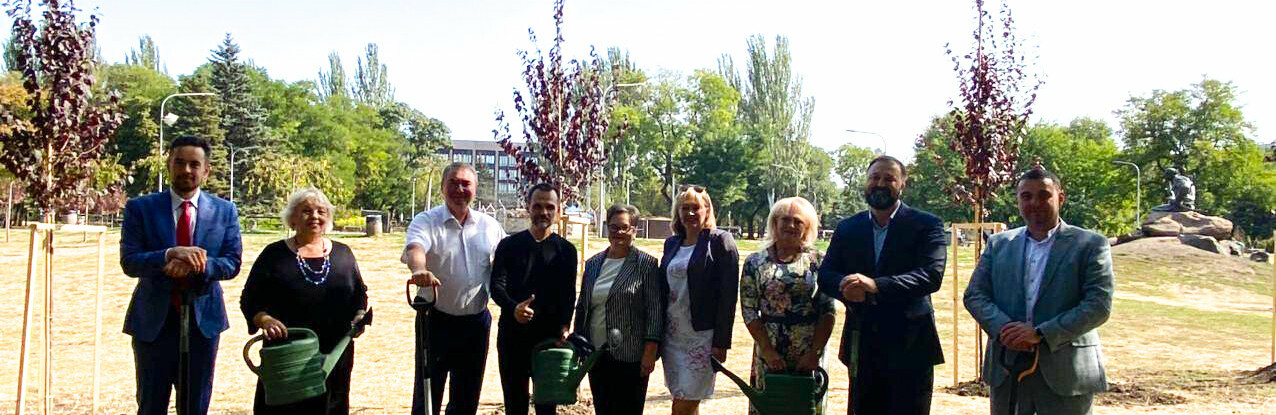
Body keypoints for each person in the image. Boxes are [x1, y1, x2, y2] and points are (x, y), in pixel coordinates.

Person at [964, 166, 1113, 415]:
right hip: (1008, 368)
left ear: (1060, 198)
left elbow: (1098, 305)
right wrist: (1006, 329)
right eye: (1027, 196)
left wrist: (1041, 333)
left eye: (1044, 195)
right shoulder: (999, 244)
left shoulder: (1090, 244)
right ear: (1018, 200)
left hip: (1066, 372)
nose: (1035, 203)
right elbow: (975, 295)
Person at [120, 135, 242, 415]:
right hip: (153, 323)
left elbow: (232, 263)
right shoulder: (140, 208)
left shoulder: (225, 211)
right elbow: (130, 261)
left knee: (195, 407)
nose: (186, 170)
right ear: (169, 164)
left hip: (203, 324)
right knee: (151, 406)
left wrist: (197, 264)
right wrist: (168, 255)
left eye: (194, 164)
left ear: (206, 170)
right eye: (179, 162)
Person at [817, 155, 947, 415]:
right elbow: (826, 275)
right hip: (863, 343)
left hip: (911, 346)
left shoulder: (927, 225)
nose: (880, 184)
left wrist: (876, 285)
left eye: (889, 179)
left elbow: (931, 275)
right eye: (874, 177)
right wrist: (844, 284)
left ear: (902, 185)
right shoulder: (848, 228)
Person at [240, 188, 369, 414]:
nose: (315, 216)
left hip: (334, 357)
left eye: (321, 211)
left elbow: (359, 294)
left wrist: (359, 315)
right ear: (292, 218)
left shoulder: (343, 254)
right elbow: (250, 298)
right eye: (306, 211)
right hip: (287, 355)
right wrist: (264, 319)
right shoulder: (274, 254)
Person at [402, 162, 508, 415]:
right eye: (453, 183)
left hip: (476, 324)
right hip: (435, 321)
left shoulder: (490, 226)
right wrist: (419, 270)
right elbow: (415, 248)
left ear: (475, 189)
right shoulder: (426, 221)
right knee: (428, 394)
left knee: (467, 398)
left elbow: (508, 261)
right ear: (442, 187)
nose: (459, 189)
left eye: (466, 184)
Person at [740, 197, 835, 415]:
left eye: (798, 221)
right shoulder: (754, 262)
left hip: (809, 351)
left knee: (805, 406)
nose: (790, 225)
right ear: (775, 222)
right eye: (785, 220)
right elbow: (749, 309)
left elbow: (828, 311)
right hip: (769, 349)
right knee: (770, 406)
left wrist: (814, 353)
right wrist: (767, 350)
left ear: (807, 226)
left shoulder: (819, 261)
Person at [490, 183, 578, 415]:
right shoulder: (509, 245)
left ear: (559, 210)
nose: (543, 212)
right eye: (537, 206)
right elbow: (496, 286)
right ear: (528, 207)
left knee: (547, 407)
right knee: (515, 404)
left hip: (549, 340)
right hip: (513, 338)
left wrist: (565, 326)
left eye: (550, 207)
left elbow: (569, 295)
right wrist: (513, 308)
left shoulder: (566, 251)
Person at [574, 203, 663, 415]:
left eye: (625, 227)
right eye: (614, 227)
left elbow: (654, 310)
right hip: (596, 354)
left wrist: (650, 351)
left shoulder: (646, 264)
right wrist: (579, 343)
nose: (619, 233)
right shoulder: (593, 264)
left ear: (634, 230)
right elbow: (583, 306)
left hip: (631, 355)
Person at [659, 185, 740, 415]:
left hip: (702, 338)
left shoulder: (720, 242)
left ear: (707, 210)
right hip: (673, 337)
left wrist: (721, 342)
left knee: (684, 403)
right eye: (685, 208)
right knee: (682, 398)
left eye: (696, 207)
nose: (690, 213)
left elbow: (728, 296)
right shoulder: (672, 243)